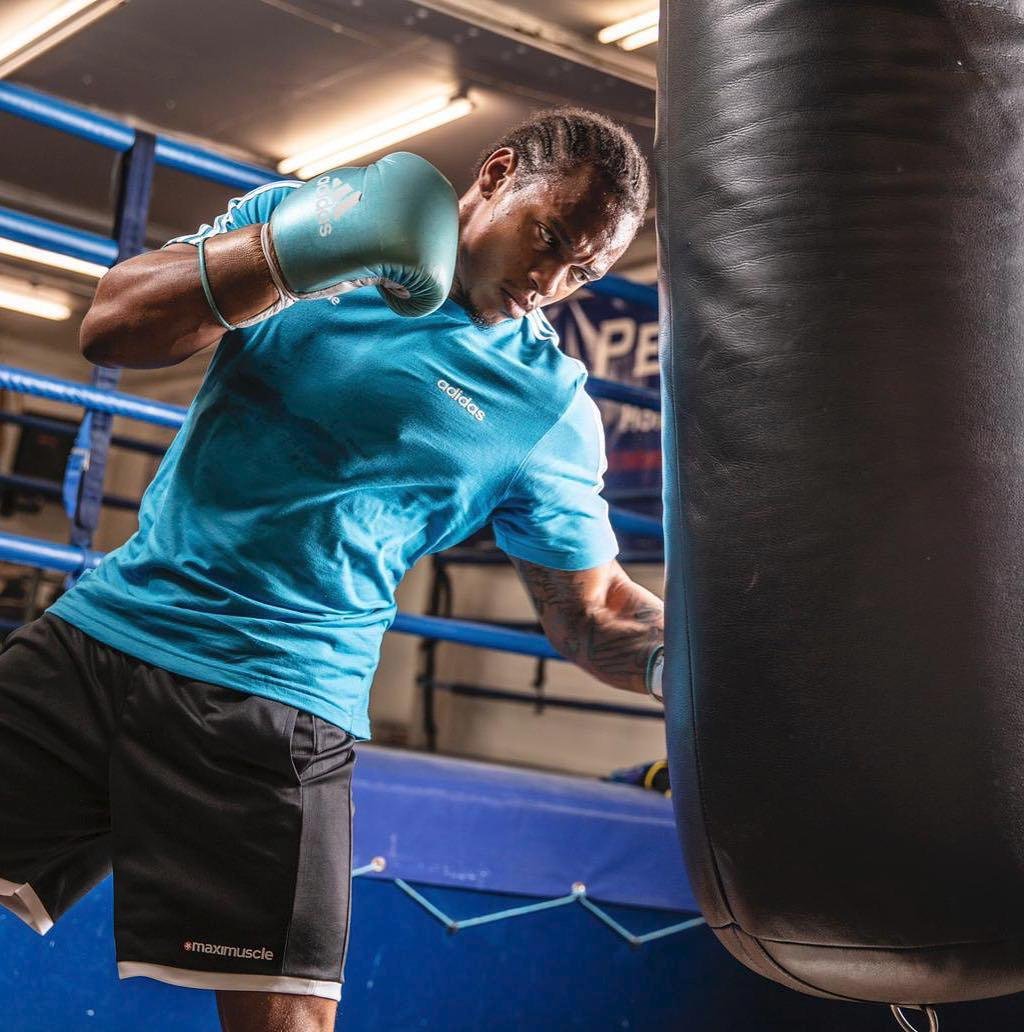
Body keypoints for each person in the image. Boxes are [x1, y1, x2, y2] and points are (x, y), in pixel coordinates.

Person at [0, 107, 664, 1032]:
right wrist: (291, 254)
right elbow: (111, 328)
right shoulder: (317, 224)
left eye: (584, 271)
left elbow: (592, 613)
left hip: (277, 703)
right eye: (549, 236)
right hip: (104, 638)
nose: (550, 281)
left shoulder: (549, 410)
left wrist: (713, 670)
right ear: (498, 173)